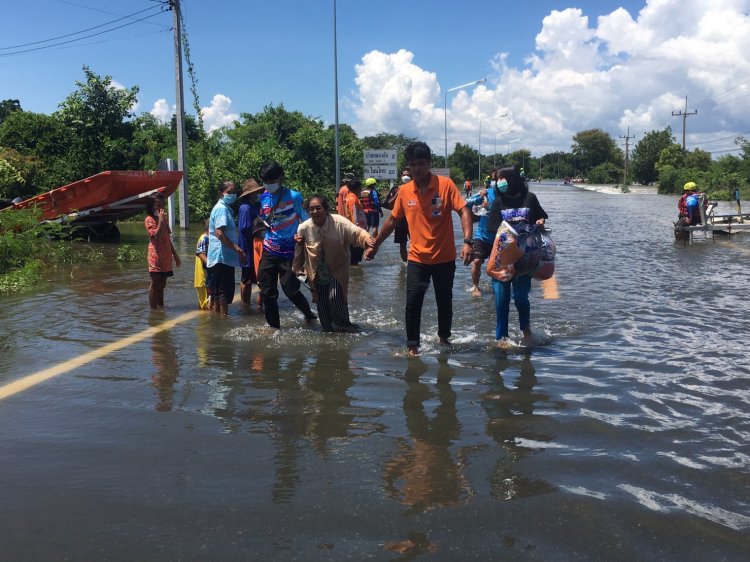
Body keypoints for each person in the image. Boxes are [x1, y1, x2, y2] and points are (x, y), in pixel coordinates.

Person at [365, 141, 474, 356]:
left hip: (444, 257)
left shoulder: (445, 185)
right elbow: (392, 221)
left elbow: (464, 211)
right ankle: (412, 346)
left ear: (429, 163)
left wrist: (468, 242)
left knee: (445, 300)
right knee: (412, 301)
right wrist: (375, 244)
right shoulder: (405, 191)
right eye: (413, 164)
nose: (417, 169)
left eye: (421, 164)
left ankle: (444, 339)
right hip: (417, 258)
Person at [485, 165, 548, 345]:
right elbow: (493, 230)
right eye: (497, 179)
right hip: (503, 259)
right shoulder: (498, 202)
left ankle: (526, 330)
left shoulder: (530, 198)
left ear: (512, 179)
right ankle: (501, 338)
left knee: (520, 297)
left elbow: (541, 218)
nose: (499, 182)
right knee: (501, 299)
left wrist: (540, 221)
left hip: (525, 258)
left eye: (502, 178)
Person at [293, 195, 375, 332]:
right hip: (316, 272)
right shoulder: (303, 228)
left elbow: (357, 233)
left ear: (326, 209)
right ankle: (329, 332)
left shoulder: (339, 223)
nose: (314, 212)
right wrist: (297, 268)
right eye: (311, 209)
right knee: (323, 308)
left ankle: (345, 326)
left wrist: (368, 242)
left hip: (338, 269)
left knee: (335, 296)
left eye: (318, 208)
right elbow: (299, 251)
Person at [254, 161, 317, 328]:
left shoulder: (294, 197)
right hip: (269, 250)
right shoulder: (264, 198)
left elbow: (306, 221)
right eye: (265, 181)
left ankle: (309, 314)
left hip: (290, 252)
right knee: (267, 292)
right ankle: (274, 328)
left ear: (280, 179)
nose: (268, 184)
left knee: (290, 289)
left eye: (271, 181)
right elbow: (264, 221)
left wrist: (307, 244)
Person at [207, 181, 246, 316]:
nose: (232, 195)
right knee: (223, 290)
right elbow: (219, 233)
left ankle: (218, 318)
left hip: (221, 257)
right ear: (221, 193)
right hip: (222, 256)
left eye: (234, 192)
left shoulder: (224, 208)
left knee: (218, 290)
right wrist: (238, 249)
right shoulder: (221, 209)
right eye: (229, 192)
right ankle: (224, 319)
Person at [465, 167, 500, 297]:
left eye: (497, 179)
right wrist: (478, 198)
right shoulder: (486, 193)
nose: (495, 181)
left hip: (499, 238)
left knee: (496, 265)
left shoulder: (508, 196)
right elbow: (465, 202)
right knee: (477, 261)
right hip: (482, 235)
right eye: (493, 179)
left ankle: (497, 286)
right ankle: (475, 286)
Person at [144, 192, 181, 309]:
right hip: (156, 257)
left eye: (162, 205)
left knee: (163, 284)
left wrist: (175, 255)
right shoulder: (149, 220)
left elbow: (167, 237)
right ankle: (153, 312)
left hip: (165, 256)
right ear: (151, 206)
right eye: (157, 205)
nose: (161, 208)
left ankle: (161, 308)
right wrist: (160, 221)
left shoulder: (163, 220)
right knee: (155, 284)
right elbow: (157, 236)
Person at [238, 178, 265, 305]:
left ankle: (259, 306)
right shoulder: (245, 208)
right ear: (250, 194)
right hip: (248, 246)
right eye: (255, 193)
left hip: (255, 246)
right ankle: (245, 305)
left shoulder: (253, 206)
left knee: (260, 277)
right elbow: (245, 228)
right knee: (246, 278)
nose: (257, 195)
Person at [382, 168, 412, 263]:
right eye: (404, 175)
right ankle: (405, 263)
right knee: (402, 244)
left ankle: (416, 262)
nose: (406, 177)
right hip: (400, 221)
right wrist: (397, 194)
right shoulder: (395, 189)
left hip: (413, 220)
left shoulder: (416, 187)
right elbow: (389, 205)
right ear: (401, 177)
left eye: (407, 175)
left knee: (417, 243)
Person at [345, 178, 368, 265]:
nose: (361, 190)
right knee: (355, 257)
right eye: (360, 187)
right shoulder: (352, 199)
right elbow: (354, 214)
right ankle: (355, 275)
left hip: (357, 229)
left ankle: (355, 273)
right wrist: (356, 230)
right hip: (356, 230)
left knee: (355, 256)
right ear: (358, 188)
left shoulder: (351, 197)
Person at [194, 219, 211, 310]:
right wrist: (210, 264)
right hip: (203, 275)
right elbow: (200, 253)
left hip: (205, 274)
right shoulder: (204, 238)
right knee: (204, 303)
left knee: (206, 300)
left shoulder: (207, 238)